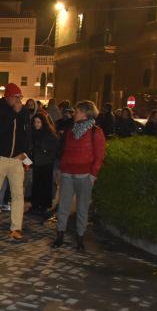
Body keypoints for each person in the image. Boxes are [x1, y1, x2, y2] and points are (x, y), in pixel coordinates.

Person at [53, 101, 106, 252]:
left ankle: (80, 239)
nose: (74, 113)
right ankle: (60, 236)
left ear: (85, 113)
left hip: (85, 175)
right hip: (68, 173)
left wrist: (93, 175)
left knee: (82, 208)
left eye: (77, 111)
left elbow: (99, 155)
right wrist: (62, 169)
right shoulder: (71, 130)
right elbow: (66, 151)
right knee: (63, 206)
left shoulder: (96, 132)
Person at [0, 83, 30, 241]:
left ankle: (16, 228)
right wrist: (14, 114)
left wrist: (24, 155)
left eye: (20, 98)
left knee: (18, 194)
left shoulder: (23, 112)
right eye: (16, 97)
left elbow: (25, 133)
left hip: (16, 160)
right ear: (8, 97)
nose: (19, 101)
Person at [29, 113, 60, 217]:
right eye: (34, 122)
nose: (36, 124)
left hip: (46, 163)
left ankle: (43, 205)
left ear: (43, 122)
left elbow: (53, 147)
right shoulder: (33, 133)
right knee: (36, 184)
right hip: (37, 162)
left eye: (38, 122)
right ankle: (35, 204)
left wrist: (41, 147)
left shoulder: (49, 134)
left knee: (45, 184)